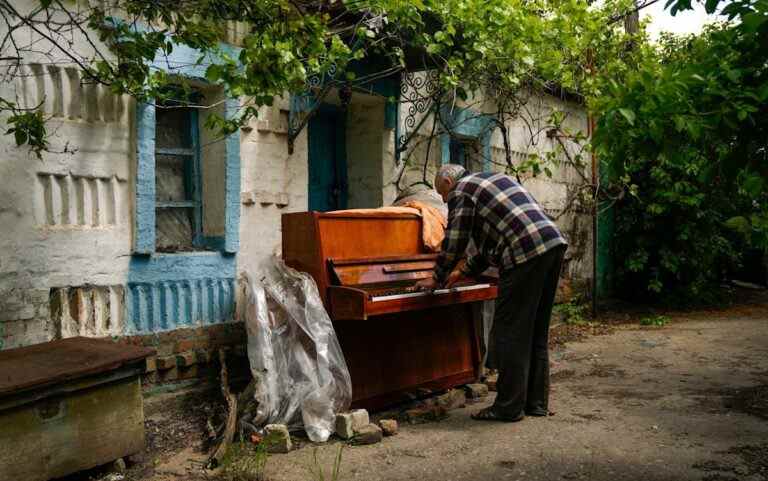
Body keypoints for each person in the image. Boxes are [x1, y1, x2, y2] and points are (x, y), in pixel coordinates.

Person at [416, 164, 567, 422]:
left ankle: (508, 407)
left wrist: (436, 277)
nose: (445, 201)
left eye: (443, 195)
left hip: (524, 254)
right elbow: (490, 246)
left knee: (510, 332)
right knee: (535, 330)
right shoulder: (491, 180)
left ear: (448, 182)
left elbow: (455, 240)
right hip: (552, 245)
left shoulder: (461, 191)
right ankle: (535, 403)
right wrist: (463, 272)